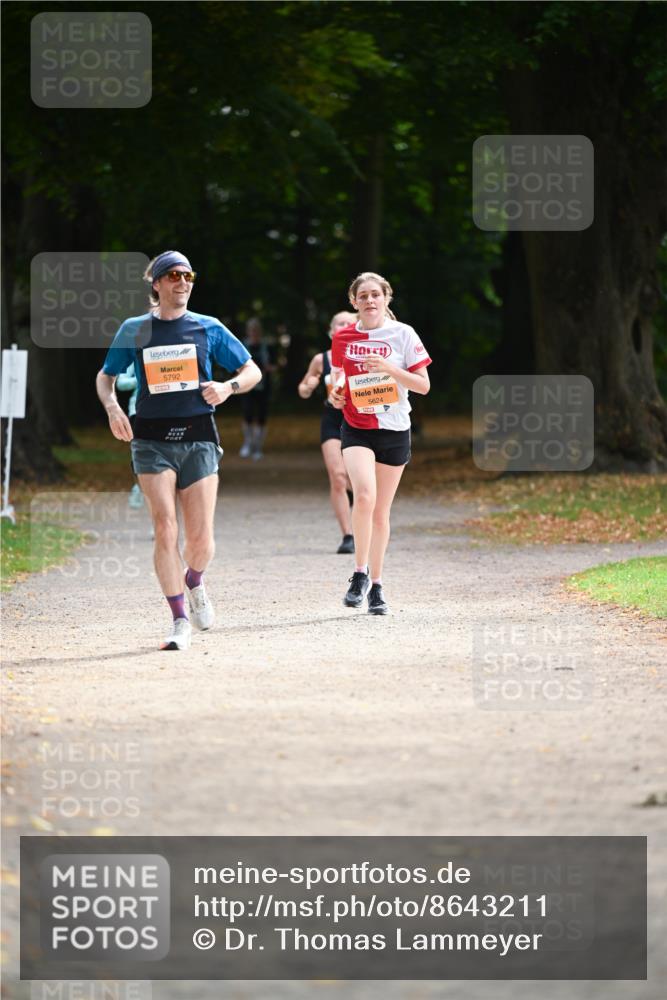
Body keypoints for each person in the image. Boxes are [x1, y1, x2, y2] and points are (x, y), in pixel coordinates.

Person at [95, 250, 261, 650]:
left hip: (200, 435)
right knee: (165, 526)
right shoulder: (135, 329)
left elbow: (251, 370)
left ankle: (195, 581)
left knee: (201, 539)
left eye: (188, 275)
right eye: (173, 276)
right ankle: (178, 619)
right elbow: (106, 377)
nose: (182, 282)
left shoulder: (208, 327)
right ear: (156, 283)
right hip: (151, 439)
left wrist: (227, 387)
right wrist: (114, 407)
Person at [330, 272, 432, 615]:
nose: (370, 301)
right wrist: (336, 395)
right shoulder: (343, 338)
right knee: (364, 495)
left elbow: (423, 385)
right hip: (357, 427)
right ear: (353, 302)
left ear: (387, 298)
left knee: (380, 513)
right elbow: (338, 382)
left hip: (394, 428)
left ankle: (377, 586)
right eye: (363, 296)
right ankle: (359, 573)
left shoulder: (403, 334)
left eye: (376, 295)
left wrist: (389, 369)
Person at [298, 311, 357, 554]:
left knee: (358, 481)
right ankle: (348, 535)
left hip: (360, 421)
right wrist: (308, 386)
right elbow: (302, 389)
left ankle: (359, 509)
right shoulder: (321, 360)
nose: (344, 326)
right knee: (338, 476)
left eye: (349, 323)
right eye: (339, 324)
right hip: (333, 420)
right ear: (331, 332)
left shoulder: (365, 355)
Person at [239, 317, 275, 460]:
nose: (254, 332)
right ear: (248, 331)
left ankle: (258, 447)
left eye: (256, 330)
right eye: (251, 330)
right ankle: (248, 443)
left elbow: (275, 365)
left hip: (264, 386)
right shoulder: (242, 346)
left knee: (261, 416)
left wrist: (268, 368)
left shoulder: (267, 346)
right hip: (247, 385)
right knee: (247, 414)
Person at [115, 364, 144, 509]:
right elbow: (121, 383)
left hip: (169, 412)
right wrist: (142, 379)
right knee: (141, 455)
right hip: (138, 411)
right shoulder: (135, 354)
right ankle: (139, 485)